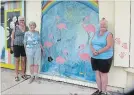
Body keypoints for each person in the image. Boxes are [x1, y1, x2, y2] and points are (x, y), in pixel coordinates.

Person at [90, 18, 113, 95]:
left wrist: (98, 52)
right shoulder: (95, 33)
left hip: (105, 58)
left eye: (104, 24)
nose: (103, 25)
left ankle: (103, 91)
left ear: (107, 26)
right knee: (97, 73)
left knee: (103, 74)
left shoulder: (109, 34)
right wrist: (93, 51)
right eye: (101, 24)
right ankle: (99, 90)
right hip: (94, 57)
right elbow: (91, 43)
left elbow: (108, 46)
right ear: (99, 25)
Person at [11, 16, 28, 81]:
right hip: (16, 46)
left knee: (23, 60)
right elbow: (12, 37)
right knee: (17, 60)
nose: (22, 21)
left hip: (24, 46)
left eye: (23, 20)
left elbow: (28, 36)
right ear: (18, 21)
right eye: (20, 20)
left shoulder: (26, 28)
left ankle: (23, 74)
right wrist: (12, 46)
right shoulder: (15, 28)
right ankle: (16, 75)